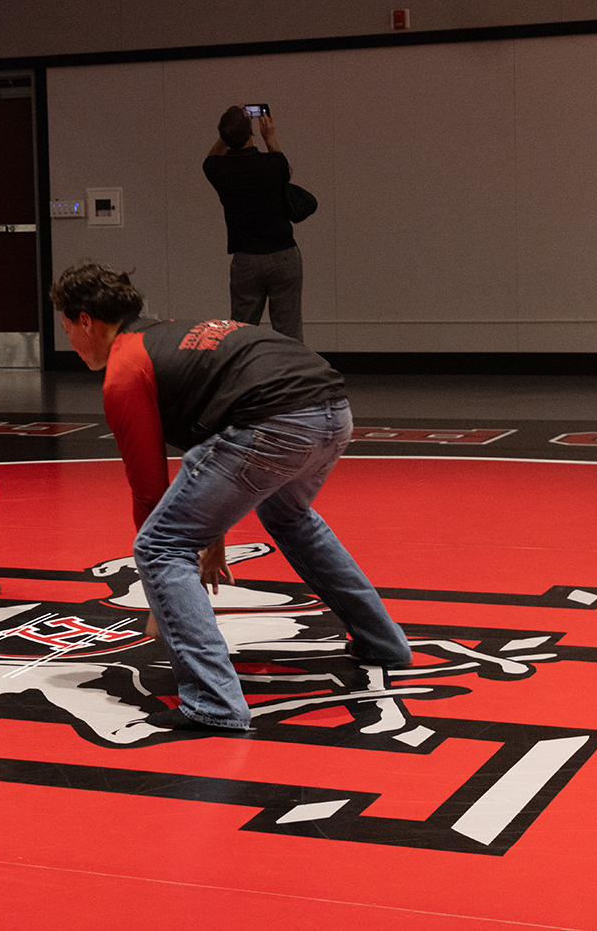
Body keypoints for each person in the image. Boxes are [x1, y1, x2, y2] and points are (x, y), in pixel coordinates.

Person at [49, 262, 410, 731]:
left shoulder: (125, 367)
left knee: (159, 547)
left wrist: (163, 596)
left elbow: (149, 489)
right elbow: (223, 434)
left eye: (66, 329)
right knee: (291, 517)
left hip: (276, 422)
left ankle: (214, 703)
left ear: (85, 321)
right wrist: (210, 528)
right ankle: (383, 642)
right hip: (333, 413)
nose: (70, 344)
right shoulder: (175, 335)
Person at [202, 104, 303, 341]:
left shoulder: (217, 169)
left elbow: (210, 158)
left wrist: (225, 136)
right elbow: (286, 170)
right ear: (252, 133)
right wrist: (270, 137)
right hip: (283, 253)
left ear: (223, 136)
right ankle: (289, 375)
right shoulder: (272, 164)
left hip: (245, 259)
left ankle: (243, 375)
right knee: (288, 331)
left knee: (241, 332)